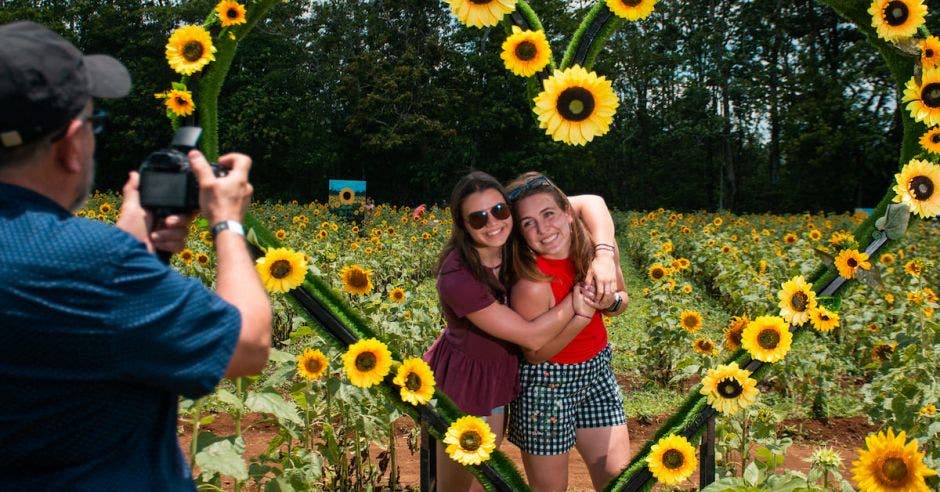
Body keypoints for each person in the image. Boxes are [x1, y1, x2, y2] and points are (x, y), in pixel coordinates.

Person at [0, 21, 272, 489]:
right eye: (93, 124)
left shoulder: (92, 263)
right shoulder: (90, 266)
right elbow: (248, 343)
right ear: (70, 146)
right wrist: (227, 222)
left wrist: (127, 250)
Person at [425, 170, 620, 491]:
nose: (493, 223)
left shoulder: (514, 231)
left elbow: (590, 202)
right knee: (461, 483)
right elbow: (530, 337)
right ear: (463, 226)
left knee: (482, 474)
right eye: (478, 218)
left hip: (505, 369)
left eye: (500, 211)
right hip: (470, 379)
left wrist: (603, 255)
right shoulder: (458, 277)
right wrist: (578, 302)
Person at [505, 172, 630, 491]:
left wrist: (609, 300)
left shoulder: (594, 251)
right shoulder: (531, 282)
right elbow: (534, 354)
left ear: (568, 214)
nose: (543, 229)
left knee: (621, 480)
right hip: (546, 386)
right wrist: (580, 315)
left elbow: (622, 300)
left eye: (548, 214)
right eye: (528, 223)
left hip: (597, 374)